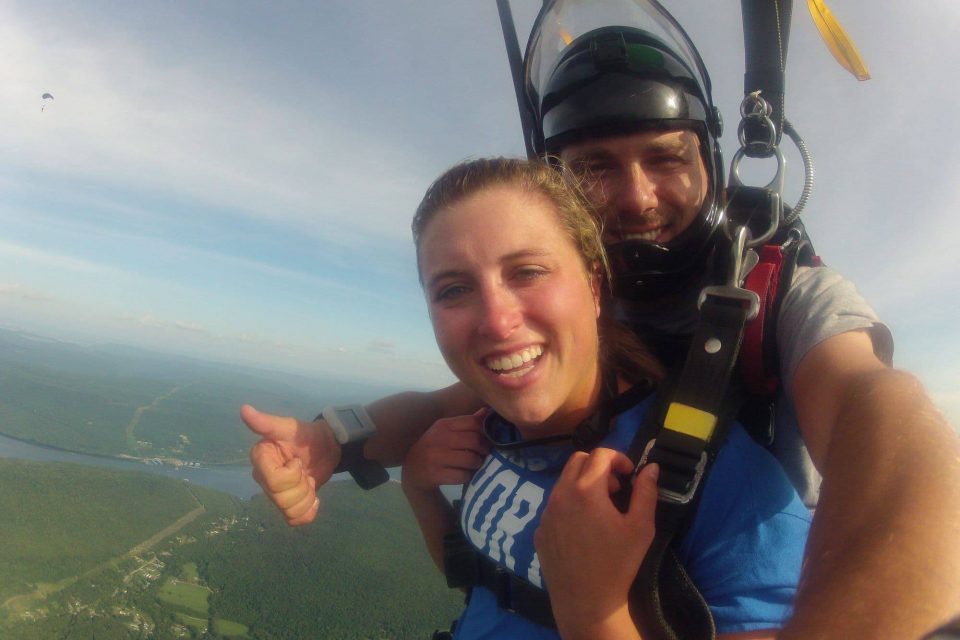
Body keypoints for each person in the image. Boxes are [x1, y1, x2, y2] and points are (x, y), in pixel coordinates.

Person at [242, 2, 960, 637]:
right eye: (596, 168)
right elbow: (440, 411)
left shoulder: (782, 299)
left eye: (665, 158)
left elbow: (883, 415)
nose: (638, 196)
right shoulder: (567, 322)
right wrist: (337, 441)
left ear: (709, 160)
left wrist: (598, 617)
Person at [401, 156, 809, 639]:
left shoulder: (735, 494)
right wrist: (419, 490)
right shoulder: (496, 429)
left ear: (594, 288)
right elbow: (483, 582)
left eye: (527, 271)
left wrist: (596, 614)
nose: (495, 320)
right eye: (453, 290)